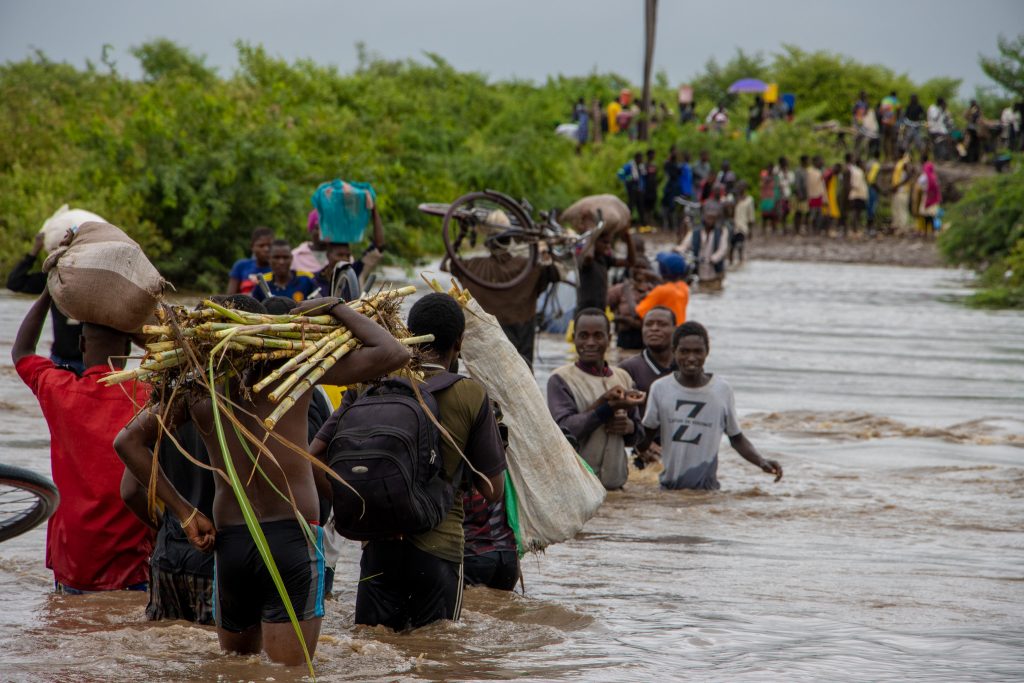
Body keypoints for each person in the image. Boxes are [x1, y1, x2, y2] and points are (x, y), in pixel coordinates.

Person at [115, 294, 410, 664]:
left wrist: (186, 513)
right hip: (292, 540)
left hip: (232, 546)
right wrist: (334, 307)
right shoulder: (294, 372)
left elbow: (127, 442)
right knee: (290, 673)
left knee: (236, 670)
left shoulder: (198, 390)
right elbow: (394, 352)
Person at [313, 292, 507, 630]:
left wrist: (358, 505)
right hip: (440, 549)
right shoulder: (471, 395)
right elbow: (493, 490)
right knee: (436, 658)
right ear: (458, 343)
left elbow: (312, 455)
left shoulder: (371, 386)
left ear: (410, 334)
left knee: (373, 655)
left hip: (378, 547)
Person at [14, 291, 153, 593]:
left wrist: (47, 294)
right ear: (128, 346)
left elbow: (22, 352)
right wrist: (139, 334)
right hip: (134, 559)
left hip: (74, 559)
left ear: (80, 344)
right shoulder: (147, 395)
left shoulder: (58, 390)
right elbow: (185, 367)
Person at [635, 321, 783, 490]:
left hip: (707, 491)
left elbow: (736, 438)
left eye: (698, 351)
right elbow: (644, 438)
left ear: (707, 352)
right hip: (668, 489)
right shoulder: (660, 388)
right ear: (674, 352)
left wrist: (761, 461)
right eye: (684, 351)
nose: (691, 358)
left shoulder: (721, 389)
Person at [121, 420, 215, 624]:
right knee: (225, 652)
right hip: (214, 558)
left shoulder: (163, 408)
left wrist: (170, 526)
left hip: (167, 556)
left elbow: (130, 492)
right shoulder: (240, 410)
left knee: (167, 651)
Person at [548, 308, 644, 491]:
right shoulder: (560, 379)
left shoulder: (623, 377)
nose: (590, 342)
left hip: (616, 487)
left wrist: (628, 427)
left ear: (609, 337)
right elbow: (565, 431)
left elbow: (637, 435)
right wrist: (607, 408)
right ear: (573, 337)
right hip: (577, 490)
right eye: (583, 336)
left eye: (598, 336)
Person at [449, 214, 560, 369]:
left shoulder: (472, 267)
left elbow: (447, 263)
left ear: (488, 243)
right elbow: (556, 271)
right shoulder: (528, 268)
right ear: (510, 240)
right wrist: (544, 243)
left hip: (486, 356)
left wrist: (461, 234)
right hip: (522, 359)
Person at [6, 231, 84, 372]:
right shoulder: (52, 278)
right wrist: (34, 252)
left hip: (88, 362)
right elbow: (14, 283)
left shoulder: (95, 283)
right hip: (60, 358)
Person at [618, 306, 677, 401]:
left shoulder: (683, 366)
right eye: (648, 324)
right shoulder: (627, 368)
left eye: (662, 324)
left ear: (675, 329)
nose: (654, 328)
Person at [576, 225, 637, 313]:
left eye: (609, 243)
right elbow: (588, 256)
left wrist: (627, 237)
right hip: (585, 310)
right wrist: (591, 234)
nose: (608, 246)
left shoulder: (604, 259)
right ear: (594, 242)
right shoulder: (584, 259)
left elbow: (630, 262)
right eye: (604, 242)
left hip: (601, 309)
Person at [678, 201, 728, 291]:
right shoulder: (695, 232)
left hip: (715, 271)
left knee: (716, 291)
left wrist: (713, 259)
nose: (710, 221)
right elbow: (685, 245)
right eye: (708, 218)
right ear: (703, 217)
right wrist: (677, 250)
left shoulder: (721, 231)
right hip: (700, 271)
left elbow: (723, 249)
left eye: (713, 219)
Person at [252, 239, 319, 302]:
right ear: (269, 259)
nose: (281, 262)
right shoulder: (262, 286)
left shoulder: (306, 282)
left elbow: (320, 306)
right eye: (276, 257)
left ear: (291, 258)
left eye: (285, 257)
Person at [607, 266, 654, 352]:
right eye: (638, 280)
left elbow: (638, 314)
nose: (642, 284)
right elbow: (606, 305)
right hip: (624, 335)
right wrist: (614, 316)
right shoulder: (621, 289)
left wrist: (623, 319)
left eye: (645, 280)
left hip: (644, 335)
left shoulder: (652, 290)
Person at [636, 253, 689, 326]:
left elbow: (638, 312)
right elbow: (668, 285)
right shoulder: (684, 287)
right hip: (677, 328)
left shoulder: (661, 290)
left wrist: (627, 292)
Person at [227, 226, 274, 295]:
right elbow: (230, 296)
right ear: (252, 247)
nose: (266, 249)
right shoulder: (241, 266)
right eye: (261, 246)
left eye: (270, 246)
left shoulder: (278, 270)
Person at [618, 152, 645, 225]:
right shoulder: (629, 165)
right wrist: (627, 178)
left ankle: (643, 224)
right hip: (631, 189)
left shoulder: (641, 166)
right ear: (637, 158)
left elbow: (642, 178)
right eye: (640, 158)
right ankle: (627, 223)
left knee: (640, 206)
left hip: (639, 189)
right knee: (631, 206)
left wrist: (642, 187)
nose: (642, 160)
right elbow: (620, 173)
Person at [891, 150, 914, 235]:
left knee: (902, 210)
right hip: (897, 191)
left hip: (902, 191)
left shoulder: (905, 163)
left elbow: (909, 176)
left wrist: (898, 185)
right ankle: (897, 227)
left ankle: (903, 228)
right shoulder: (899, 163)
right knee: (896, 209)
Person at [731, 181, 755, 264]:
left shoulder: (749, 200)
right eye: (739, 187)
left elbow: (751, 216)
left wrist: (751, 230)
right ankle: (732, 262)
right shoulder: (732, 199)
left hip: (743, 226)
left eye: (742, 187)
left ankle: (741, 261)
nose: (740, 189)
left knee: (740, 245)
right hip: (733, 225)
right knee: (731, 246)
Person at [917, 161, 942, 238]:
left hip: (927, 198)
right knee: (933, 216)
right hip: (934, 200)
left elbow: (919, 184)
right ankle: (934, 232)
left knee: (926, 216)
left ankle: (926, 232)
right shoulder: (934, 177)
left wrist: (924, 189)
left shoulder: (924, 177)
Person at [846, 154, 869, 234]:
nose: (864, 165)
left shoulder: (860, 171)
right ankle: (854, 230)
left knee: (858, 213)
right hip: (856, 194)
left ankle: (856, 229)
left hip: (860, 194)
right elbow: (851, 184)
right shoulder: (855, 171)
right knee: (855, 213)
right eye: (863, 163)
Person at [661, 148, 682, 231]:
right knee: (669, 207)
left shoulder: (673, 165)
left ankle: (671, 226)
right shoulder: (672, 165)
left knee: (671, 207)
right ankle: (670, 226)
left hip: (672, 189)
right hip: (671, 189)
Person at [805, 156, 826, 234]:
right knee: (812, 214)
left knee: (819, 214)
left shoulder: (819, 172)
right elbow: (807, 185)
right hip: (812, 196)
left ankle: (816, 230)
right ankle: (809, 229)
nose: (821, 163)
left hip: (819, 196)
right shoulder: (809, 171)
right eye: (820, 161)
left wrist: (824, 197)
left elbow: (822, 186)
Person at [758, 165, 779, 235]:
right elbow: (761, 185)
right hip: (765, 198)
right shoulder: (764, 177)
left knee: (773, 215)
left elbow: (776, 187)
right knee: (765, 215)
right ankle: (763, 230)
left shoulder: (775, 178)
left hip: (772, 197)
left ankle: (774, 230)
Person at [792, 155, 809, 234]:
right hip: (800, 195)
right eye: (807, 160)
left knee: (802, 212)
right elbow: (797, 184)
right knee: (798, 212)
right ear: (803, 161)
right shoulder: (798, 171)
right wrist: (799, 194)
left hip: (804, 195)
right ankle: (796, 229)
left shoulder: (805, 170)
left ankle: (799, 229)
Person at [643, 149, 659, 226]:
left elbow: (655, 176)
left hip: (653, 189)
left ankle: (650, 221)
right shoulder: (644, 165)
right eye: (652, 154)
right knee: (646, 206)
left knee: (652, 205)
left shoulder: (654, 165)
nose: (653, 156)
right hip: (646, 189)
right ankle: (646, 222)